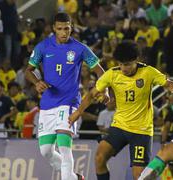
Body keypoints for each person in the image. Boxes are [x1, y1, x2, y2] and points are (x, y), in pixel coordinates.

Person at [68, 40, 173, 180]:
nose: (123, 68)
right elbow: (91, 95)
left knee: (139, 176)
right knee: (100, 158)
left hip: (141, 131)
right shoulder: (112, 74)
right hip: (120, 126)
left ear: (136, 60)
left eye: (127, 64)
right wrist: (77, 113)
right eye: (120, 64)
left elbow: (168, 83)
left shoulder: (148, 72)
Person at [25, 12, 107, 180]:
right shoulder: (43, 46)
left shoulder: (80, 48)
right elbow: (29, 71)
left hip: (68, 102)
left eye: (67, 29)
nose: (64, 32)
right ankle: (74, 177)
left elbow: (100, 71)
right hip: (47, 104)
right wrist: (37, 82)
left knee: (64, 147)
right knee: (46, 151)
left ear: (72, 28)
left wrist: (104, 89)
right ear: (54, 28)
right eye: (60, 29)